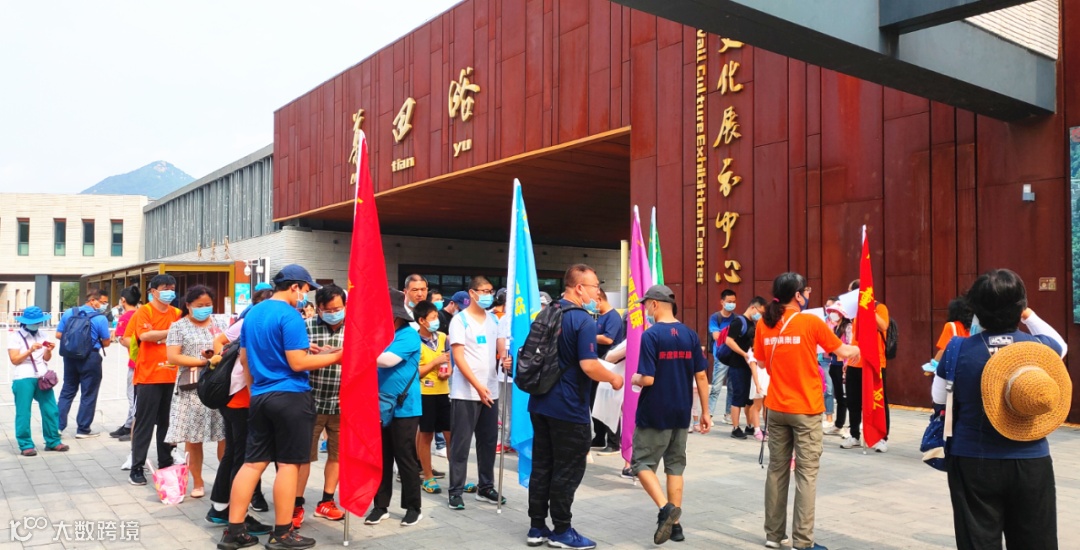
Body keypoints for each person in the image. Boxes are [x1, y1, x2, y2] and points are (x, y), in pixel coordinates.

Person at [933, 269, 1068, 549]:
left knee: (978, 541)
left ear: (975, 309)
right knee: (1036, 541)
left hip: (973, 458)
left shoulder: (957, 349)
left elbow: (938, 398)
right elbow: (1061, 345)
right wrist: (1026, 314)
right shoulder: (1039, 347)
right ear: (1020, 306)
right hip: (1031, 460)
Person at [218, 265, 342, 550]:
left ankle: (234, 531)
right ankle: (283, 533)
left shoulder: (253, 313)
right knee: (288, 465)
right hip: (291, 397)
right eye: (306, 290)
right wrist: (339, 356)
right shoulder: (290, 315)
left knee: (252, 464)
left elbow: (245, 360)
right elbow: (298, 363)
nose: (306, 296)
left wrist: (256, 391)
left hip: (260, 396)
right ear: (295, 286)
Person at [754, 272, 860, 550]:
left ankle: (774, 535)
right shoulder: (810, 322)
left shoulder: (764, 323)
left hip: (776, 407)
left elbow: (762, 363)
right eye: (806, 291)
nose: (808, 295)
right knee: (806, 473)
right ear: (797, 295)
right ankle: (803, 541)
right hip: (806, 409)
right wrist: (860, 348)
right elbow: (842, 351)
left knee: (777, 471)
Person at [527, 264, 624, 550]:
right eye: (594, 286)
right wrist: (614, 378)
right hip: (568, 407)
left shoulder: (547, 312)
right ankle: (562, 530)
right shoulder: (582, 320)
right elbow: (589, 365)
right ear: (579, 288)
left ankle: (536, 526)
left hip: (540, 402)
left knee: (542, 465)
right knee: (567, 469)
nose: (597, 292)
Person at [630, 285, 711, 545]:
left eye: (646, 305)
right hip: (681, 410)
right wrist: (705, 412)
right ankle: (675, 528)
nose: (645, 309)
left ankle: (666, 508)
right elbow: (701, 376)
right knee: (675, 466)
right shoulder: (689, 334)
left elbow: (648, 378)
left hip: (655, 410)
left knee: (640, 463)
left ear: (654, 304)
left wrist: (635, 378)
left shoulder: (651, 335)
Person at [206, 288, 272, 531]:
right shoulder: (254, 323)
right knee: (243, 459)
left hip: (233, 398)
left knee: (233, 454)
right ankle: (238, 515)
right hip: (242, 400)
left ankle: (219, 508)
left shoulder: (247, 321)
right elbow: (245, 361)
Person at [366, 289, 424, 527]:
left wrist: (357, 353)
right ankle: (380, 506)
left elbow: (386, 360)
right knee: (381, 458)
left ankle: (413, 507)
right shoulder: (380, 334)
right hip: (379, 405)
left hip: (404, 407)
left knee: (405, 457)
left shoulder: (408, 335)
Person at [446, 276, 505, 510]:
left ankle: (485, 487)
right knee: (461, 444)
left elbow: (500, 350)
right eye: (484, 291)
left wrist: (506, 359)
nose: (489, 295)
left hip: (491, 391)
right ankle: (455, 491)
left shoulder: (494, 319)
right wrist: (477, 386)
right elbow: (458, 358)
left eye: (491, 291)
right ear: (472, 293)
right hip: (466, 393)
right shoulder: (460, 320)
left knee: (488, 442)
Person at [164, 285, 228, 499]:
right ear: (188, 305)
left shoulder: (221, 323)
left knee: (224, 435)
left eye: (208, 305)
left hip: (219, 386)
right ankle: (198, 482)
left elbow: (230, 346)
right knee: (193, 438)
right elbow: (173, 356)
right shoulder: (178, 326)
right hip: (192, 389)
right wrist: (203, 361)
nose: (204, 309)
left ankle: (225, 481)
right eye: (199, 305)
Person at [297, 284, 348, 524]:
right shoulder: (306, 327)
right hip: (311, 402)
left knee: (337, 456)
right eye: (329, 310)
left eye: (338, 309)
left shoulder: (355, 328)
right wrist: (314, 355)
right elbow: (295, 360)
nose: (334, 313)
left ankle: (327, 501)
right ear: (318, 309)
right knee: (302, 457)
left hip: (343, 403)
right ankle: (296, 505)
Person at [127, 274, 181, 486]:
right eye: (165, 288)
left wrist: (161, 334)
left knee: (167, 423)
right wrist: (171, 332)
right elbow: (144, 336)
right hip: (148, 377)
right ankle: (137, 467)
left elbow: (181, 337)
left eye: (172, 288)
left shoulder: (176, 313)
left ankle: (165, 463)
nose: (169, 292)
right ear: (153, 291)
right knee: (144, 423)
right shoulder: (144, 311)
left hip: (172, 376)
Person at [9, 306, 68, 456]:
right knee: (23, 412)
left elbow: (46, 358)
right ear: (25, 322)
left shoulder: (43, 335)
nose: (36, 325)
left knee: (51, 409)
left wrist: (48, 350)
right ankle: (25, 444)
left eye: (38, 322)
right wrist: (29, 350)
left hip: (42, 375)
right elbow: (14, 360)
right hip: (23, 377)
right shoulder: (16, 337)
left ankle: (53, 441)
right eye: (33, 322)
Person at [839, 279, 891, 452]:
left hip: (875, 363)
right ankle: (854, 434)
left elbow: (883, 325)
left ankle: (882, 437)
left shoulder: (879, 307)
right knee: (853, 401)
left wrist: (868, 308)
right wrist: (848, 360)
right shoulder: (854, 313)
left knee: (878, 400)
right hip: (855, 363)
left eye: (850, 292)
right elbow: (854, 339)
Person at [55, 288, 112, 438]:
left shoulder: (69, 312)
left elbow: (58, 334)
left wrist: (74, 342)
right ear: (93, 300)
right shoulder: (100, 318)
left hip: (70, 357)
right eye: (103, 302)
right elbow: (106, 342)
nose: (104, 305)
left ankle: (57, 427)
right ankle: (83, 429)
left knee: (67, 391)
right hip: (90, 357)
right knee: (88, 393)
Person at [414, 300, 452, 494]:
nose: (437, 320)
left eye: (437, 316)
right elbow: (416, 372)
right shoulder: (414, 340)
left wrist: (447, 371)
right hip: (424, 394)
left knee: (450, 434)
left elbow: (448, 361)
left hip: (443, 392)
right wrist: (435, 362)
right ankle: (427, 476)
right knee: (426, 435)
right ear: (422, 321)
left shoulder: (443, 337)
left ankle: (457, 476)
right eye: (433, 317)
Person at [723, 296, 767, 439]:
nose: (760, 315)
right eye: (760, 312)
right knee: (738, 396)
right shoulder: (738, 322)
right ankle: (735, 428)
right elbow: (728, 341)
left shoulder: (752, 323)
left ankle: (749, 425)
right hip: (738, 365)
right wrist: (744, 354)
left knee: (749, 398)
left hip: (749, 365)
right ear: (753, 307)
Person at [591, 288, 624, 454]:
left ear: (599, 299)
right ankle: (599, 436)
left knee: (610, 404)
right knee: (595, 402)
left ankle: (613, 442)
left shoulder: (613, 317)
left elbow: (608, 339)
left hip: (610, 366)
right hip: (597, 364)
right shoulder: (600, 316)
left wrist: (587, 334)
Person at [110, 285, 141, 441]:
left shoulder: (125, 317)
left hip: (135, 363)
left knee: (133, 396)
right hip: (148, 363)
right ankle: (128, 425)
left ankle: (134, 427)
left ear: (123, 300)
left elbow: (123, 339)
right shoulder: (143, 313)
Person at [707, 289, 738, 424]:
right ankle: (709, 415)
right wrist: (731, 338)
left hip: (734, 357)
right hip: (721, 357)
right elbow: (716, 336)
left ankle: (728, 414)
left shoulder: (736, 319)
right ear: (722, 302)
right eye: (729, 301)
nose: (732, 304)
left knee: (732, 387)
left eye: (734, 301)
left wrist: (724, 336)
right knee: (716, 387)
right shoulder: (716, 318)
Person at [924, 296, 973, 375]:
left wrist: (933, 366)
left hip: (955, 369)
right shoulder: (973, 328)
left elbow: (943, 350)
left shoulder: (951, 326)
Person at [822, 300, 848, 436]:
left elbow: (849, 345)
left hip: (843, 366)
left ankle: (849, 426)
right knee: (838, 395)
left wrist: (847, 363)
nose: (832, 314)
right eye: (831, 311)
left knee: (845, 396)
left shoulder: (847, 327)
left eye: (835, 312)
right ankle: (838, 424)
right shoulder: (835, 328)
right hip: (834, 364)